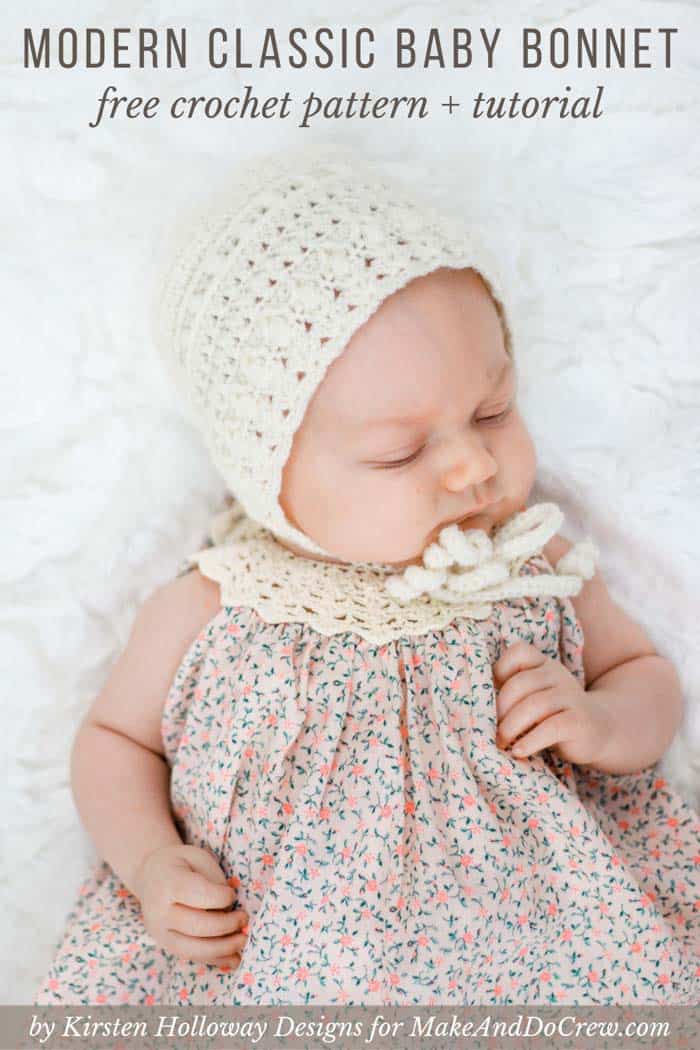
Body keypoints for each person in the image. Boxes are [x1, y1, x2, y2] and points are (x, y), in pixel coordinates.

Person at [36, 142, 700, 1006]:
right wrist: (151, 861)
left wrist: (600, 721)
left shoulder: (529, 566)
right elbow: (112, 743)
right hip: (276, 966)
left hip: (538, 945)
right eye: (398, 452)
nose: (472, 466)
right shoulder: (216, 598)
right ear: (270, 475)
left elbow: (643, 676)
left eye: (493, 411)